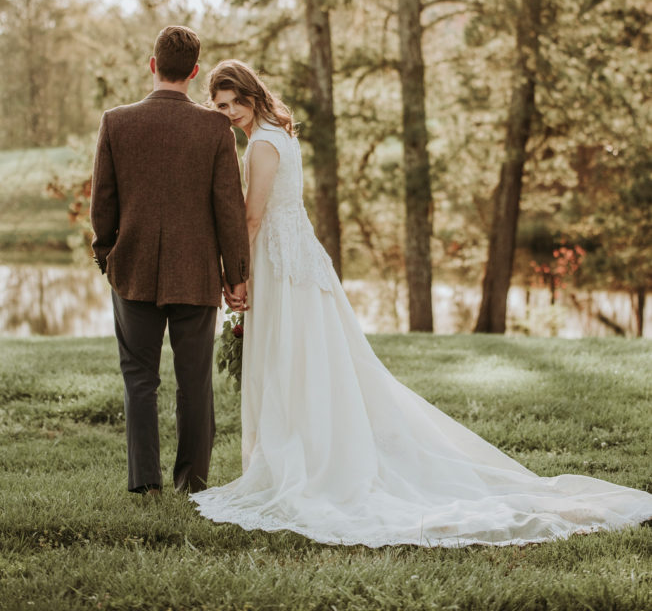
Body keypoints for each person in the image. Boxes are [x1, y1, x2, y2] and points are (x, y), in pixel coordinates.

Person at [191, 59, 652, 547]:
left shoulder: (263, 143)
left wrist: (235, 275)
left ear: (248, 95)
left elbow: (253, 216)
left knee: (290, 362)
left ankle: (304, 460)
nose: (225, 115)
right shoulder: (281, 133)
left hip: (282, 264)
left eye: (230, 104)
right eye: (217, 107)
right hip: (299, 259)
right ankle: (310, 447)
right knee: (308, 363)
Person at [90, 27, 249, 497]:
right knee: (193, 382)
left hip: (132, 270)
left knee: (139, 378)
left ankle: (144, 483)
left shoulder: (116, 121)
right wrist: (236, 274)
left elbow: (103, 203)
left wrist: (106, 255)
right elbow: (229, 208)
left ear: (153, 64)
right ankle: (193, 483)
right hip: (197, 274)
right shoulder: (215, 127)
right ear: (195, 72)